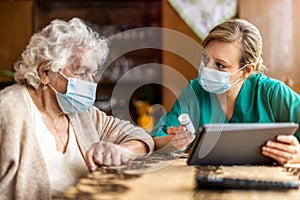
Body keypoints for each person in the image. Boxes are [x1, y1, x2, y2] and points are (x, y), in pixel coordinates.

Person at [0, 17, 154, 199]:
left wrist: (123, 150)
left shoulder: (83, 114)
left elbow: (140, 137)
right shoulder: (9, 111)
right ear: (45, 73)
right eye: (81, 72)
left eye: (93, 74)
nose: (90, 82)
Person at [151, 18, 300, 166]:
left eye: (220, 65)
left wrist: (295, 155)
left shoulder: (272, 93)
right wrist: (174, 143)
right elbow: (157, 140)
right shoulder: (194, 91)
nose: (207, 68)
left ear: (247, 70)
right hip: (207, 182)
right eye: (205, 58)